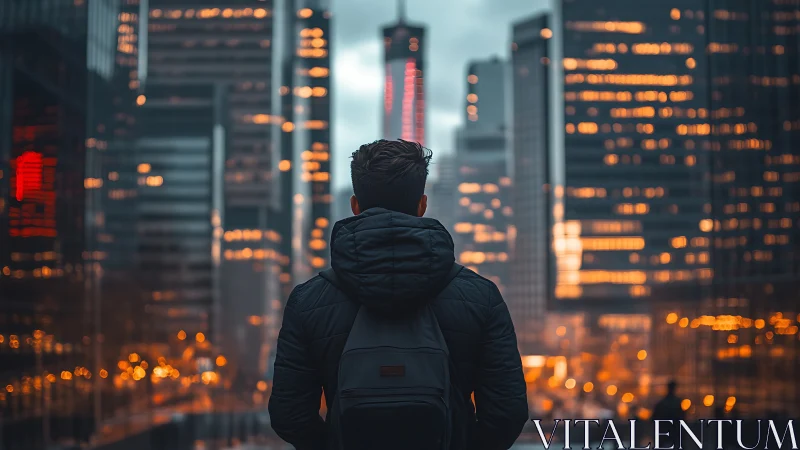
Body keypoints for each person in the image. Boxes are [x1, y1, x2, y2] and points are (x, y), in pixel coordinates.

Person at [268, 139, 529, 450]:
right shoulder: (481, 297)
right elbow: (507, 413)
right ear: (422, 205)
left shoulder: (308, 302)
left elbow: (289, 414)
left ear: (355, 207)